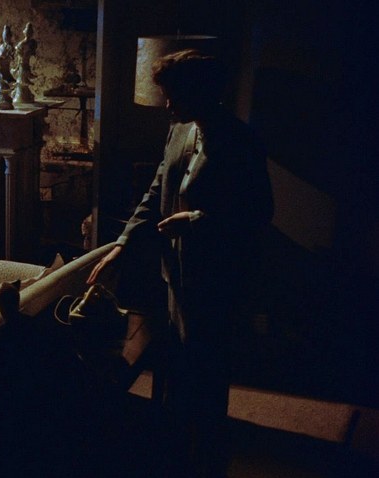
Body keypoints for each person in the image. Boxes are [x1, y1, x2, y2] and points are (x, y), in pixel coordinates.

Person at [87, 49, 273, 477]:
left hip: (217, 279)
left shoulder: (242, 142)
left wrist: (196, 220)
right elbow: (155, 192)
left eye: (174, 94)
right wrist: (122, 243)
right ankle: (174, 450)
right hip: (175, 274)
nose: (167, 104)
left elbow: (259, 212)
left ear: (202, 92)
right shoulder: (178, 132)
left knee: (208, 372)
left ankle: (207, 457)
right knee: (177, 364)